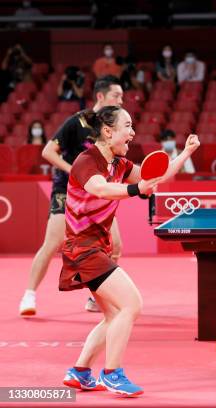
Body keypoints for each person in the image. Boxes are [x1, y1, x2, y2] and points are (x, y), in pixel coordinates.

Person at [60, 106, 200, 396]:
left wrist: (185, 154)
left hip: (96, 247)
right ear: (109, 131)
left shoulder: (120, 164)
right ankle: (112, 373)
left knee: (113, 315)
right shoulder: (87, 161)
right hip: (83, 248)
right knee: (131, 304)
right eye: (128, 126)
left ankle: (80, 371)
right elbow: (100, 189)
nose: (133, 133)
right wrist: (136, 190)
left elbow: (156, 176)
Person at [19, 76, 124, 317]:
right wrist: (74, 172)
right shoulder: (77, 122)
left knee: (115, 245)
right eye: (116, 96)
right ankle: (29, 294)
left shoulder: (110, 127)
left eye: (122, 96)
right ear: (100, 96)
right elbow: (48, 152)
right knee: (53, 243)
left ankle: (96, 297)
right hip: (67, 190)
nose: (121, 100)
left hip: (97, 193)